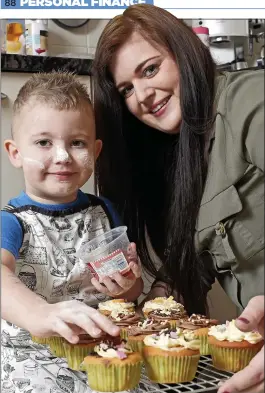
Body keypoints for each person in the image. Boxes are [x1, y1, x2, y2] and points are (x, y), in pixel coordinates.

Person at [92, 4, 264, 393]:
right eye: (126, 90)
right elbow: (195, 259)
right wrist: (154, 297)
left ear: (183, 53)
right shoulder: (183, 158)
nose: (143, 96)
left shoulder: (249, 102)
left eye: (150, 69)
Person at [1, 72, 143, 390]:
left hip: (103, 350)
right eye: (44, 143)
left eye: (76, 142)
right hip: (34, 357)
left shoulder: (104, 211)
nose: (63, 156)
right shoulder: (12, 221)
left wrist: (125, 286)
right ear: (15, 153)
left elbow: (131, 292)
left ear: (95, 149)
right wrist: (41, 313)